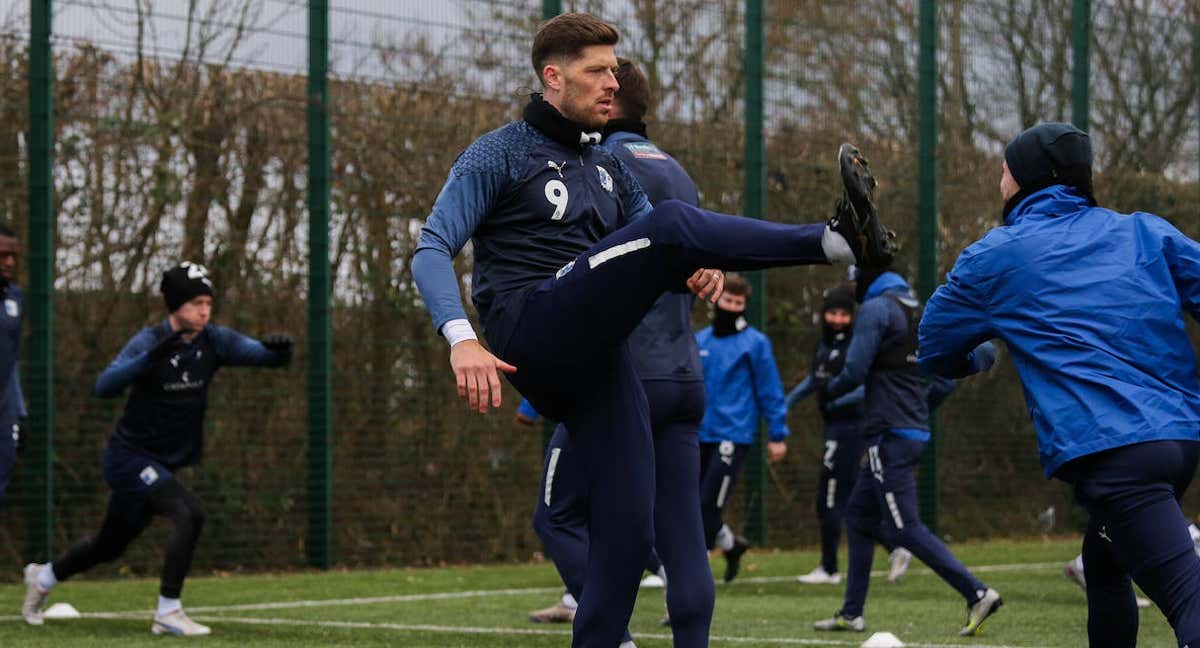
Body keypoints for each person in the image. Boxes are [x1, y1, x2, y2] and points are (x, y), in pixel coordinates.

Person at [409, 12, 895, 646]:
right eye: (596, 71)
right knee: (670, 224)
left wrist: (697, 268)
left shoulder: (608, 169)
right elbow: (431, 246)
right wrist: (462, 339)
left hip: (597, 361)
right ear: (552, 77)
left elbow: (657, 247)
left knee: (630, 532)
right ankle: (836, 240)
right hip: (531, 325)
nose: (612, 82)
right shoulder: (499, 152)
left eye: (615, 69)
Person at [919, 121, 1200, 647]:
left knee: (1189, 597)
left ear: (1025, 178)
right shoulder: (1145, 230)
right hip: (1180, 440)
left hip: (1116, 454)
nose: (999, 180)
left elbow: (933, 348)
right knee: (1104, 560)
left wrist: (980, 355)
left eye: (1003, 170)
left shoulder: (994, 256)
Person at [524, 57, 714, 646]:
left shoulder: (598, 165)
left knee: (555, 514)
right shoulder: (678, 173)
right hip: (685, 378)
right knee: (684, 540)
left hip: (626, 379)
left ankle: (616, 637)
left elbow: (581, 274)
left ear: (605, 98)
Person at [21, 262, 293, 636]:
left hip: (161, 465)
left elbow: (262, 355)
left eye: (208, 303)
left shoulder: (212, 340)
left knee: (109, 545)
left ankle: (43, 577)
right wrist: (148, 360)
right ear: (176, 304)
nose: (204, 310)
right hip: (128, 458)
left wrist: (280, 351)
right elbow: (104, 385)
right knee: (189, 512)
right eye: (196, 302)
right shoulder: (149, 341)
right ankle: (168, 612)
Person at [812, 265, 1002, 636]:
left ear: (865, 279)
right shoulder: (918, 314)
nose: (851, 288)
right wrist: (918, 409)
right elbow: (955, 376)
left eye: (853, 280)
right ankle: (852, 614)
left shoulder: (876, 309)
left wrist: (828, 391)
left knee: (904, 528)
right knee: (859, 516)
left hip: (889, 436)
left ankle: (977, 592)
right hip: (909, 432)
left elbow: (853, 371)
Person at [787, 283, 912, 586]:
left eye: (845, 314)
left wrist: (834, 398)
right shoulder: (823, 345)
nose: (838, 319)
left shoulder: (858, 343)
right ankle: (897, 546)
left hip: (850, 428)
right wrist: (787, 402)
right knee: (851, 501)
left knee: (830, 498)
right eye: (833, 313)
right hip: (833, 427)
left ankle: (830, 568)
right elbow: (814, 382)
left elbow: (860, 383)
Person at [693, 273, 787, 583]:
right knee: (690, 502)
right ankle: (731, 545)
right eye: (728, 300)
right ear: (716, 300)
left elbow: (770, 390)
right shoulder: (700, 340)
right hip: (698, 433)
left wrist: (777, 434)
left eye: (739, 302)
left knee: (708, 504)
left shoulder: (755, 344)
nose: (732, 307)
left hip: (732, 435)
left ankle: (692, 575)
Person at [0, 223, 26, 512]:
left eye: (13, 256)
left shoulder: (15, 299)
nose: (9, 262)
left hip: (4, 412)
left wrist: (20, 412)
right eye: (2, 255)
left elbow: (12, 358)